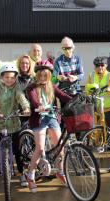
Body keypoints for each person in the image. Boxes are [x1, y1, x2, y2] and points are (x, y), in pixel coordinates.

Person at [25, 63, 72, 193]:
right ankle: (30, 175)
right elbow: (34, 101)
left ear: (49, 75)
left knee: (60, 146)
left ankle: (60, 171)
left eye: (45, 75)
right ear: (37, 75)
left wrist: (76, 99)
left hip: (51, 118)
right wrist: (39, 106)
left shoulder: (51, 86)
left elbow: (63, 96)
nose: (43, 77)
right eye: (40, 75)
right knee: (39, 149)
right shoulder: (31, 88)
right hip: (38, 119)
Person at [86, 56, 110, 130]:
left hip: (108, 106)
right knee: (97, 126)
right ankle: (98, 141)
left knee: (109, 126)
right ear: (94, 66)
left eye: (102, 65)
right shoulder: (91, 75)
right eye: (97, 65)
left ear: (106, 65)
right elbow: (87, 88)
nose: (100, 67)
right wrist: (91, 88)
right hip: (96, 106)